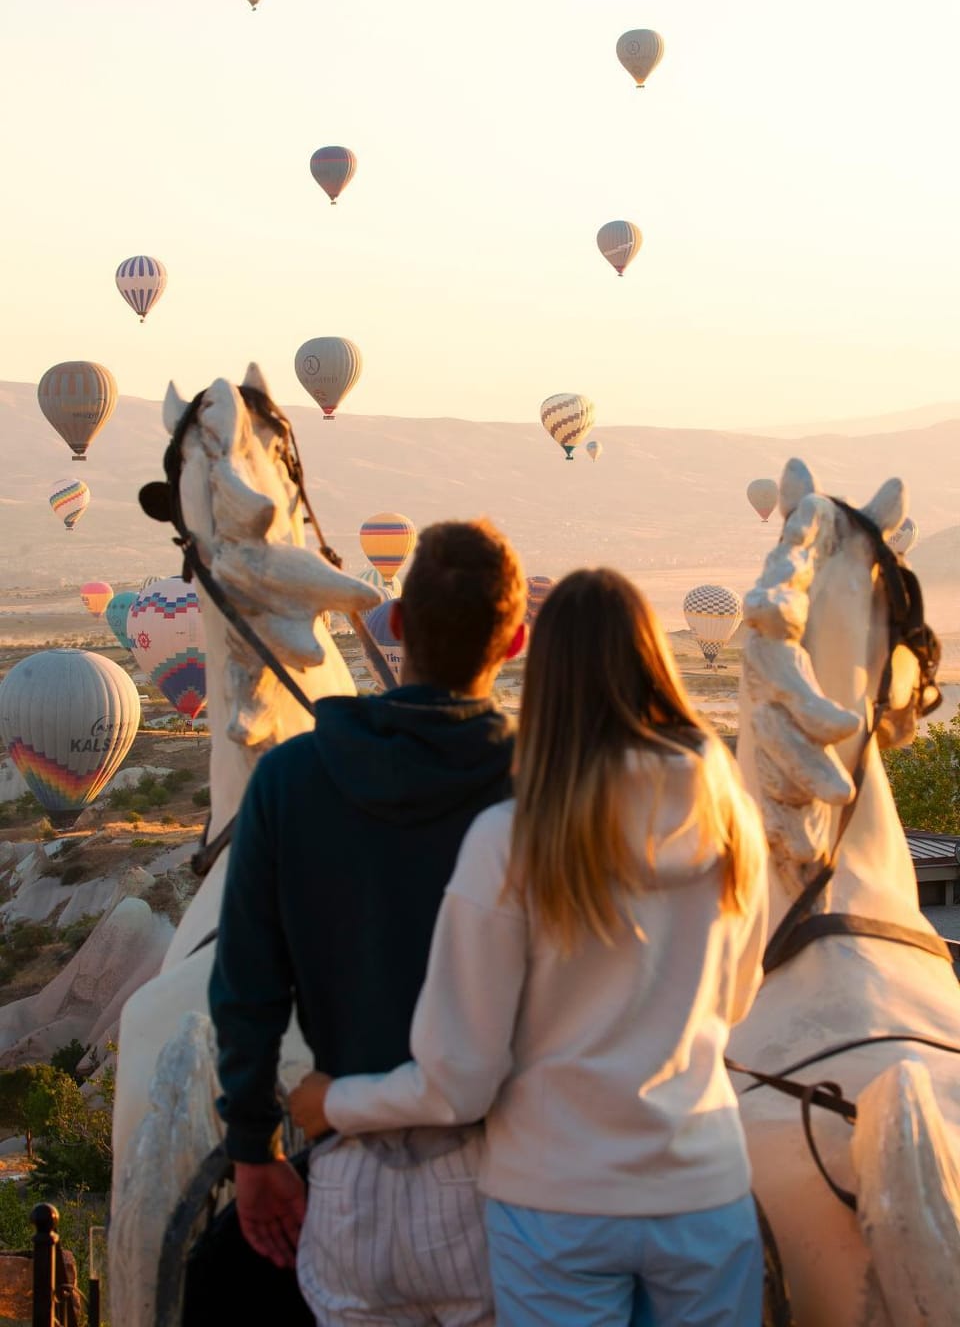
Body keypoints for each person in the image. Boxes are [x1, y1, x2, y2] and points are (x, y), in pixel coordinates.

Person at [290, 567, 770, 1327]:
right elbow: (737, 1000)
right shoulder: (732, 822)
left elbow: (458, 1080)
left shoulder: (510, 840)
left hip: (556, 1204)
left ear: (543, 677)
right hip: (705, 1192)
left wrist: (332, 1102)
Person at [209, 518, 527, 1326]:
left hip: (349, 1184)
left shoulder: (289, 778)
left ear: (394, 625)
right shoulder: (545, 785)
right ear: (516, 639)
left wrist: (254, 1150)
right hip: (513, 1185)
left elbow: (245, 985)